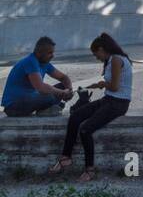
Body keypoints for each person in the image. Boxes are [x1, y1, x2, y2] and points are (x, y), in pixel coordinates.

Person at [48, 34, 132, 182]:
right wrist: (98, 85)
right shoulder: (111, 60)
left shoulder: (117, 60)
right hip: (109, 99)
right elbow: (111, 86)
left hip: (118, 104)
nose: (96, 57)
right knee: (75, 117)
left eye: (96, 54)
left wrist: (103, 84)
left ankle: (90, 169)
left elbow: (115, 86)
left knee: (86, 130)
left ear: (101, 49)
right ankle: (66, 157)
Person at [2, 37, 73, 117]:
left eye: (53, 53)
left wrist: (69, 90)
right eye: (49, 53)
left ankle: (47, 108)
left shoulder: (45, 63)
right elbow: (41, 88)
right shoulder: (30, 61)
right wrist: (63, 93)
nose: (52, 56)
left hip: (29, 99)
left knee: (62, 86)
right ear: (39, 52)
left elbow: (64, 78)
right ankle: (46, 108)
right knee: (49, 95)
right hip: (13, 107)